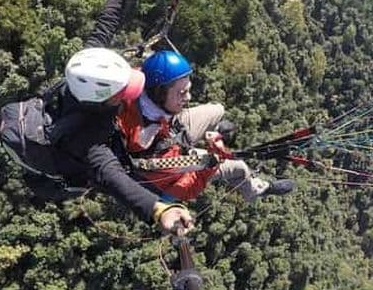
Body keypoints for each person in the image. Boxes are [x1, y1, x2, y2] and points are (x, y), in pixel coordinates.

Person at [0, 0, 193, 233]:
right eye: (122, 91)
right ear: (104, 100)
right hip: (71, 161)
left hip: (65, 125)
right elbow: (114, 178)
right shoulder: (90, 140)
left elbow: (106, 22)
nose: (129, 92)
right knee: (132, 169)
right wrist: (157, 209)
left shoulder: (86, 69)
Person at [117, 49, 295, 202]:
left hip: (170, 126)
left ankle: (207, 138)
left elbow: (145, 71)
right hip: (166, 159)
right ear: (159, 94)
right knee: (239, 167)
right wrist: (213, 159)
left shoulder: (138, 86)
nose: (188, 98)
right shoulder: (152, 156)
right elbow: (187, 188)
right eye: (182, 93)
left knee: (217, 110)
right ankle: (257, 190)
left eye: (188, 89)